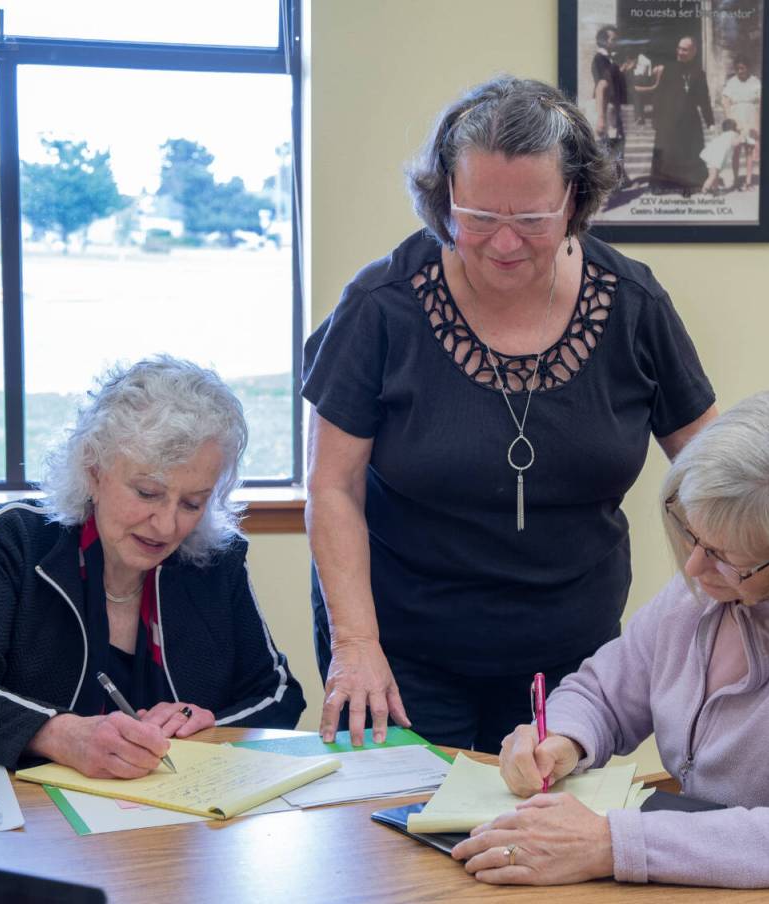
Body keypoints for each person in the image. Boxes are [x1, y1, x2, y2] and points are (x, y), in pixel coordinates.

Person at [302, 75, 717, 751]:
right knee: (402, 840)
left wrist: (719, 601)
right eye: (479, 216)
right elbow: (333, 486)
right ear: (443, 197)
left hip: (572, 658)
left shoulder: (633, 306)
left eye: (531, 220)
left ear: (575, 200)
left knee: (541, 841)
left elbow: (713, 470)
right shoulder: (382, 307)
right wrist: (355, 644)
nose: (503, 243)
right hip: (401, 651)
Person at [454, 388, 769, 902]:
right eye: (692, 536)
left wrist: (613, 843)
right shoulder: (706, 593)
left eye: (727, 556)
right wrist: (563, 739)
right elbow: (602, 694)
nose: (693, 568)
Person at [0, 356, 305, 776]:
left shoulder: (216, 560)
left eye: (193, 502)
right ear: (93, 470)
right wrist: (59, 733)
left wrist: (207, 724)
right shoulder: (13, 539)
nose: (167, 524)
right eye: (147, 492)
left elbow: (279, 693)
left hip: (179, 823)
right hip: (39, 818)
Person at [640, 36, 715, 196]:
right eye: (679, 48)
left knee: (689, 152)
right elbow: (659, 95)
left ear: (694, 51)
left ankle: (688, 186)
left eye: (685, 49)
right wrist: (655, 117)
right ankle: (660, 185)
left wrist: (710, 121)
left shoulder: (699, 73)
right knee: (665, 152)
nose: (680, 52)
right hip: (668, 118)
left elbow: (704, 98)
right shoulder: (668, 68)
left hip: (689, 121)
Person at [591, 24, 627, 184]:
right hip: (606, 107)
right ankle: (612, 181)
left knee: (615, 141)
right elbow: (602, 87)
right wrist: (601, 117)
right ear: (604, 41)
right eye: (614, 39)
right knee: (610, 143)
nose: (617, 42)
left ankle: (619, 177)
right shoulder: (600, 60)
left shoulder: (608, 60)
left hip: (612, 107)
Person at [721, 56, 762, 190]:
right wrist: (731, 121)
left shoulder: (755, 81)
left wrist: (757, 122)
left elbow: (761, 102)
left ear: (748, 68)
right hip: (736, 117)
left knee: (749, 150)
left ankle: (748, 181)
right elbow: (725, 101)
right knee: (736, 151)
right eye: (737, 68)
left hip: (751, 117)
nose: (740, 71)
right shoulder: (731, 82)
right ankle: (736, 180)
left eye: (742, 68)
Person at [700, 119, 742, 194]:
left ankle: (715, 190)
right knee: (713, 175)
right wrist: (742, 135)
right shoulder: (733, 134)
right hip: (716, 156)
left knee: (714, 174)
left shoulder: (724, 134)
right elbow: (735, 143)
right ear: (734, 128)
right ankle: (704, 190)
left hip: (711, 154)